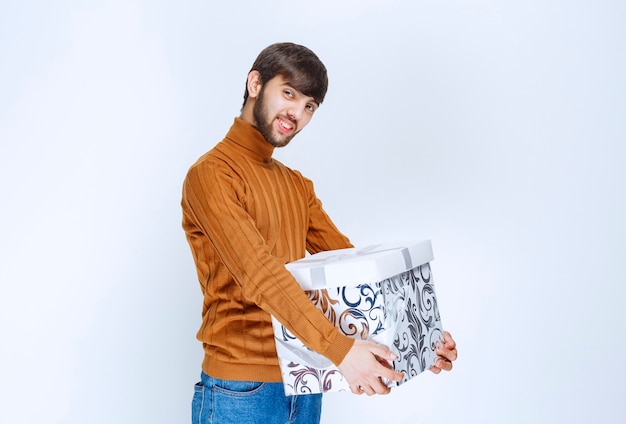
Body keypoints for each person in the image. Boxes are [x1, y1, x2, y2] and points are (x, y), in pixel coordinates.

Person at [181, 42, 458, 424]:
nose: (296, 113)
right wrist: (341, 351)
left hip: (306, 380)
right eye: (289, 93)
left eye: (309, 106)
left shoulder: (296, 186)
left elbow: (356, 269)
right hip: (241, 390)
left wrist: (417, 338)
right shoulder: (212, 174)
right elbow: (261, 275)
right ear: (255, 83)